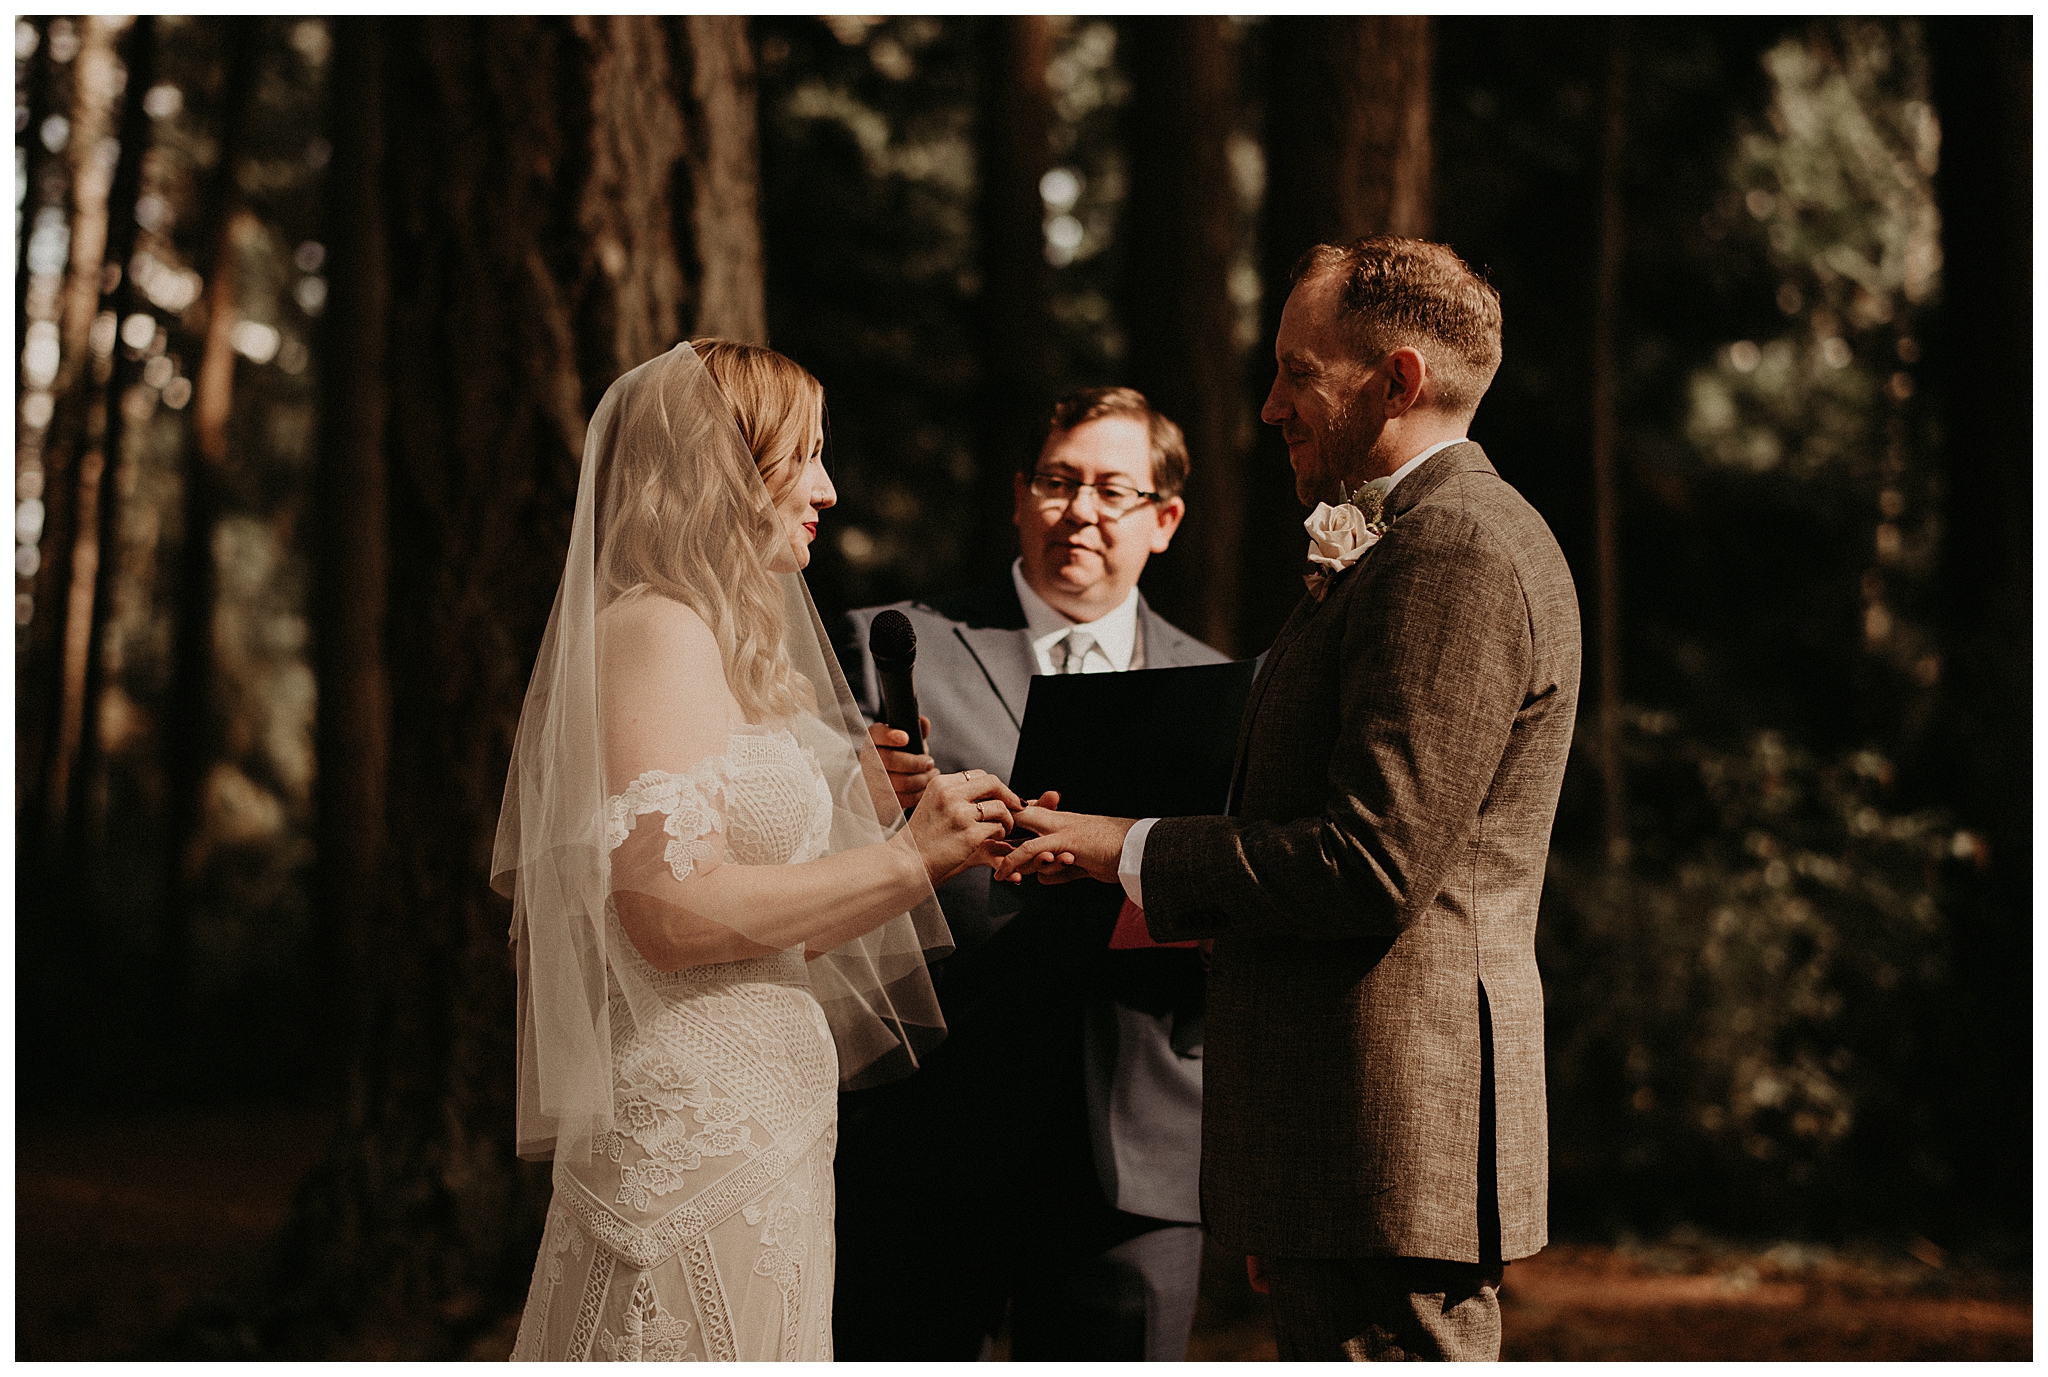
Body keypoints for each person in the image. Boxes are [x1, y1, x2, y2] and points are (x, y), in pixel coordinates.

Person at [1000, 238, 1582, 1361]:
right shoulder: (1415, 540)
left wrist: (1123, 848)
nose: (1268, 408)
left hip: (1389, 1143)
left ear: (1396, 381)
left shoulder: (1453, 551)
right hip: (1338, 1146)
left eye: (1295, 372)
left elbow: (1371, 867)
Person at [490, 339, 1023, 1362]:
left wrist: (843, 804)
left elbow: (757, 919)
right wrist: (911, 860)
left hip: (763, 1123)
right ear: (720, 473)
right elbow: (670, 916)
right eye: (802, 456)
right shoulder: (653, 630)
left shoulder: (718, 646)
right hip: (689, 1136)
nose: (825, 488)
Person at [829, 388, 1227, 1360]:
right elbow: (804, 855)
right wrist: (850, 797)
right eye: (1056, 482)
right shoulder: (889, 641)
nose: (1078, 511)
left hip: (1135, 1138)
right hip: (929, 1125)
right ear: (1018, 498)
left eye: (1110, 490)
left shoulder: (1222, 683)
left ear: (1162, 520)